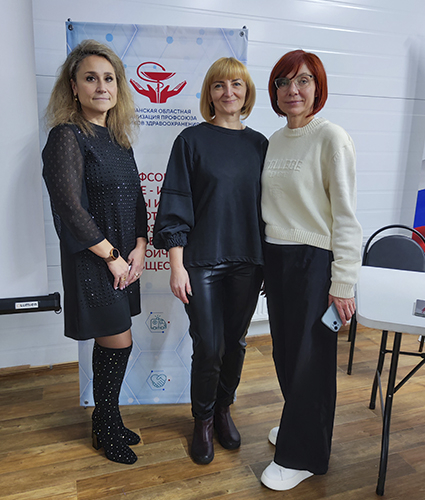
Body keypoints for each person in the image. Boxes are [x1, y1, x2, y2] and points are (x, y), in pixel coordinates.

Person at [153, 57, 268, 465]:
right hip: (200, 262)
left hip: (248, 261)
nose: (228, 92)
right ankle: (201, 420)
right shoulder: (191, 141)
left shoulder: (260, 145)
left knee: (235, 343)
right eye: (219, 85)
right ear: (209, 94)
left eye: (236, 84)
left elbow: (269, 208)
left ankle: (223, 409)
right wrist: (176, 265)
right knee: (209, 345)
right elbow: (175, 205)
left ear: (247, 92)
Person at [260, 50, 363, 490]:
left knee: (310, 361)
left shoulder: (331, 138)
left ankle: (303, 456)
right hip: (277, 258)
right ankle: (300, 424)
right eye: (283, 82)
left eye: (303, 80)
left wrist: (343, 281)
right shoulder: (275, 139)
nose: (293, 90)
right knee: (286, 354)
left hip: (313, 261)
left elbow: (346, 217)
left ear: (317, 87)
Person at [42, 40, 147, 465]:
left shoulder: (119, 140)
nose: (101, 86)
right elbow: (70, 207)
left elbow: (137, 199)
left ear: (118, 87)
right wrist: (111, 256)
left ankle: (106, 420)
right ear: (74, 86)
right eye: (90, 78)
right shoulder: (66, 136)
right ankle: (105, 422)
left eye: (109, 78)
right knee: (118, 341)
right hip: (94, 260)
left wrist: (140, 246)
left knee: (116, 341)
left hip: (122, 258)